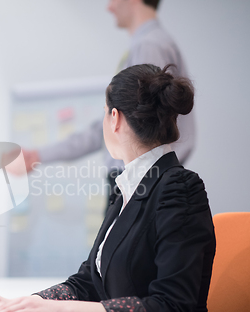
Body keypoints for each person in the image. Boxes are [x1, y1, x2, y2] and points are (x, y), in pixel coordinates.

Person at [0, 64, 216, 312]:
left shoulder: (179, 187)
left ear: (115, 118)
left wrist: (56, 310)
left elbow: (172, 311)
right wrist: (25, 305)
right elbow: (88, 282)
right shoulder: (129, 188)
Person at [22, 0, 195, 207]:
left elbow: (138, 127)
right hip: (137, 182)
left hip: (137, 185)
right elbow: (114, 125)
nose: (109, 7)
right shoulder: (150, 44)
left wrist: (38, 155)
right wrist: (39, 155)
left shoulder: (149, 46)